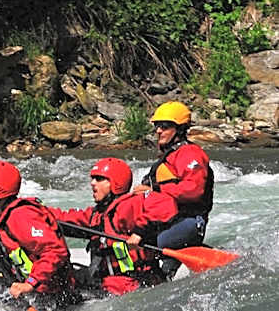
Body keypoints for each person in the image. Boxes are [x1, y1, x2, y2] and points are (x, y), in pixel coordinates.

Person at [49, 158, 179, 295]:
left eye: (99, 179)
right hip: (106, 283)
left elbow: (166, 203)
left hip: (132, 284)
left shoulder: (129, 204)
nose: (92, 183)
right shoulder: (97, 215)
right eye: (93, 179)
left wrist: (140, 232)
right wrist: (34, 211)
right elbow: (63, 218)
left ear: (116, 184)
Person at [0, 161, 78, 307]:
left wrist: (30, 284)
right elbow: (2, 243)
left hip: (53, 299)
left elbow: (55, 251)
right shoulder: (4, 216)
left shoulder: (21, 215)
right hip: (35, 294)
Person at [131, 101, 213, 276]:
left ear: (180, 129)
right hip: (168, 220)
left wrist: (155, 191)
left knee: (156, 242)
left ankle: (167, 272)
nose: (159, 131)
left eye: (165, 127)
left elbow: (194, 190)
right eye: (157, 126)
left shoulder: (190, 153)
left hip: (189, 221)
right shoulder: (170, 156)